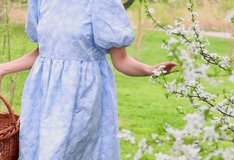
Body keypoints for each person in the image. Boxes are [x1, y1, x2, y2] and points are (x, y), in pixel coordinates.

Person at [0, 0, 177, 159]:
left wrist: (149, 70)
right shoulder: (40, 2)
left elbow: (121, 60)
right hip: (43, 97)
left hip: (81, 99)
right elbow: (44, 52)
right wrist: (3, 69)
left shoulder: (101, 3)